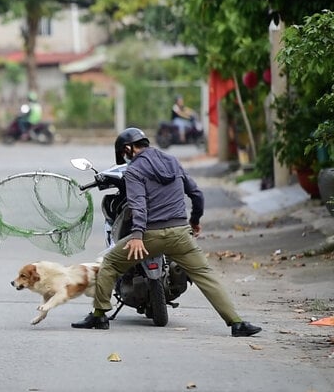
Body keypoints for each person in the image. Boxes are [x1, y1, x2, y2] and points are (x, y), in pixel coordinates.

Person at [71, 127, 262, 337]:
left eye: (125, 154)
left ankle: (99, 316)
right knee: (205, 274)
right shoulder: (172, 161)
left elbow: (138, 205)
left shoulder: (134, 170)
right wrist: (194, 221)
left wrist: (136, 236)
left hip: (150, 236)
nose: (126, 158)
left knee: (111, 263)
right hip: (181, 233)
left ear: (129, 148)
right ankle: (237, 323)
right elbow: (196, 194)